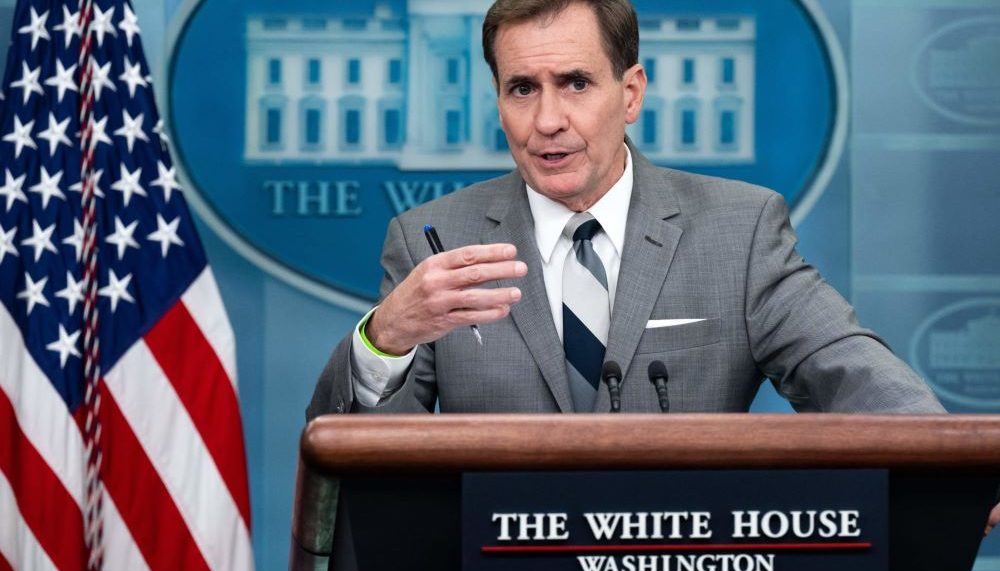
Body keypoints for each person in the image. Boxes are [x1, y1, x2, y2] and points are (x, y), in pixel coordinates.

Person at [308, 0, 1000, 535]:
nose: (547, 119)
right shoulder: (433, 238)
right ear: (498, 100)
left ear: (631, 92)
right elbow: (359, 459)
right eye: (522, 88)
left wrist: (961, 463)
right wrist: (384, 338)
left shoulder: (738, 230)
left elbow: (844, 366)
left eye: (575, 83)